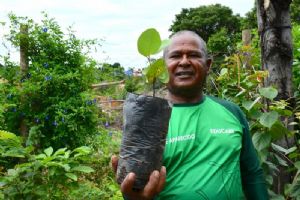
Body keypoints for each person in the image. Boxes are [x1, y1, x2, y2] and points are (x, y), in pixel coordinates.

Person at [112, 30, 269, 199]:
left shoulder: (231, 112)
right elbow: (135, 188)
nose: (184, 62)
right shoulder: (148, 121)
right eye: (176, 56)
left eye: (193, 55)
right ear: (162, 67)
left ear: (208, 65)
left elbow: (252, 174)